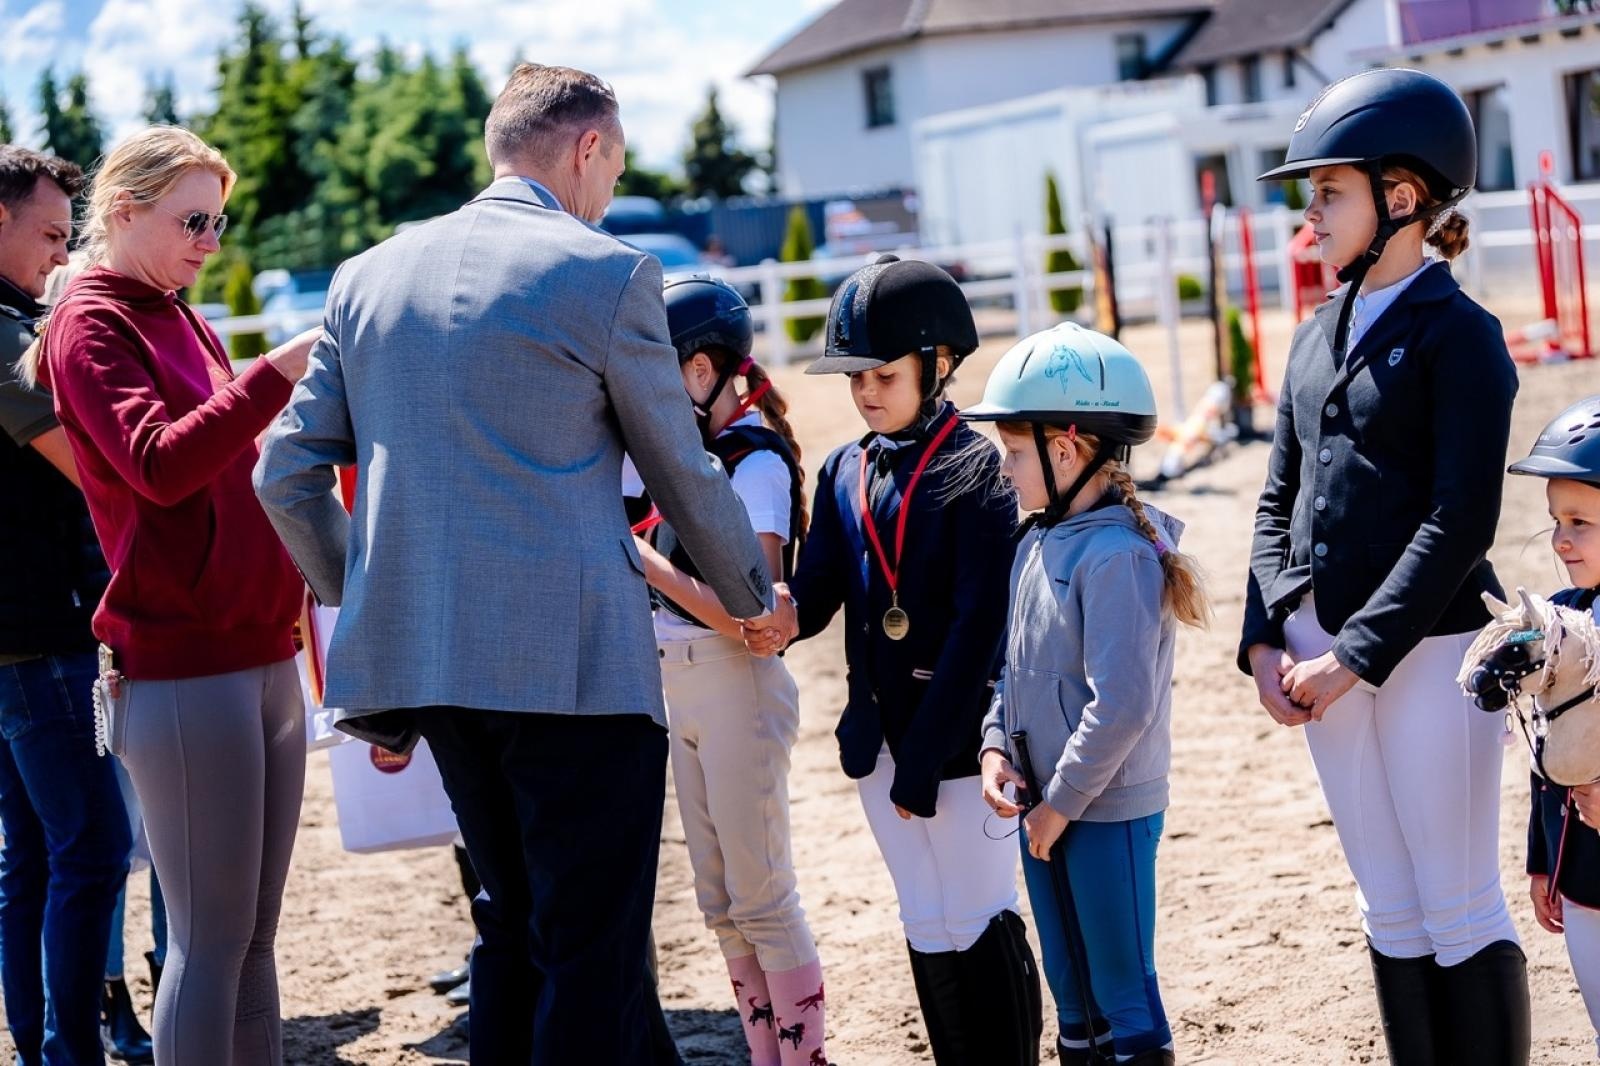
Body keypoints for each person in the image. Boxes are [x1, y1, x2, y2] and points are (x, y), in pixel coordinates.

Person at [253, 64, 791, 1066]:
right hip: (577, 670)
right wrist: (753, 594)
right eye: (614, 168)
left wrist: (365, 597)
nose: (610, 194)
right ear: (587, 148)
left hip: (435, 667)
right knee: (588, 949)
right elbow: (678, 466)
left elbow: (282, 473)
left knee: (512, 925)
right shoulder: (607, 274)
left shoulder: (365, 276)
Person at [1243, 68, 1526, 1064]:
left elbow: (1461, 518)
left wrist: (1355, 655)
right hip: (1315, 654)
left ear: (1401, 198)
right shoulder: (1313, 335)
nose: (1310, 214)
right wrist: (1265, 638)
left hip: (1430, 650)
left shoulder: (1462, 337)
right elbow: (1276, 501)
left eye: (1329, 192)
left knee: (1456, 899)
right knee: (1387, 904)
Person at [28, 125, 321, 1066]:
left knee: (251, 938)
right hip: (185, 660)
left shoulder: (173, 311)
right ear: (125, 212)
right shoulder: (91, 323)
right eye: (194, 220)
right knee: (211, 941)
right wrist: (278, 372)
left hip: (255, 647)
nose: (211, 241)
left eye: (219, 222)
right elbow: (157, 464)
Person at [767, 255, 1042, 1064]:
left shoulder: (978, 470)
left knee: (979, 915)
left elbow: (979, 626)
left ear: (939, 362)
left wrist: (924, 757)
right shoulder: (844, 468)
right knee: (924, 920)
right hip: (879, 739)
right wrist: (778, 617)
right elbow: (818, 589)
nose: (866, 392)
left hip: (957, 744)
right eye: (856, 378)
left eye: (884, 375)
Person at [966, 322, 1208, 1066]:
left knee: (1122, 988)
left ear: (1065, 450)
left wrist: (1062, 803)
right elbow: (1011, 670)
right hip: (1045, 803)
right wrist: (995, 746)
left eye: (1014, 452)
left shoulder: (1117, 559)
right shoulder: (1035, 542)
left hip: (1102, 807)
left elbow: (1123, 704)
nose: (1005, 469)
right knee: (1070, 990)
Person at [626, 276, 828, 1066]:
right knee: (719, 901)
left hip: (733, 679)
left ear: (703, 371)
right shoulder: (684, 458)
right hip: (682, 682)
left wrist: (644, 564)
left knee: (762, 896)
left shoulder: (754, 464)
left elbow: (754, 617)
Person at [0, 144, 136, 1066]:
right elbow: (97, 472)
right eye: (51, 235)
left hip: (21, 633)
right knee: (91, 850)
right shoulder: (5, 335)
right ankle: (67, 1054)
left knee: (37, 859)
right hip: (42, 631)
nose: (61, 254)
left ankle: (44, 1047)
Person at [1503, 396, 1600, 1060]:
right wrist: (1545, 861)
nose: (1561, 540)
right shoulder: (1560, 619)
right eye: (1556, 521)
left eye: (1580, 523)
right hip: (1586, 878)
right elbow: (1544, 756)